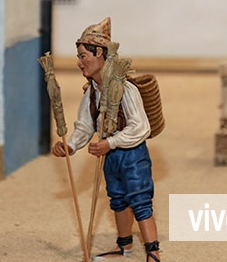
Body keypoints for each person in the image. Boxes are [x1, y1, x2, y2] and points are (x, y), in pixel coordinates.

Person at [51, 17, 161, 262]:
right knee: (118, 199)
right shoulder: (92, 92)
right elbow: (85, 125)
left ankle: (153, 252)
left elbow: (140, 126)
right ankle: (125, 246)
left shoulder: (125, 89)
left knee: (140, 199)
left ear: (99, 53)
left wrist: (110, 143)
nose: (79, 62)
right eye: (79, 57)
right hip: (109, 155)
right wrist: (70, 145)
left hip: (132, 154)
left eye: (83, 56)